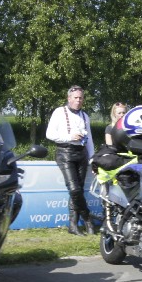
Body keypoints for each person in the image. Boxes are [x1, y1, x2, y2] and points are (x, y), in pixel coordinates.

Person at [45, 85, 96, 235]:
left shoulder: (85, 116)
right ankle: (88, 219)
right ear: (69, 98)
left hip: (82, 153)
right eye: (75, 98)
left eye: (81, 98)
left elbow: (90, 140)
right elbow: (49, 134)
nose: (78, 100)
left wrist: (92, 159)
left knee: (78, 190)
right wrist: (69, 137)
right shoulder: (59, 112)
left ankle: (73, 226)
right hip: (65, 153)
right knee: (74, 189)